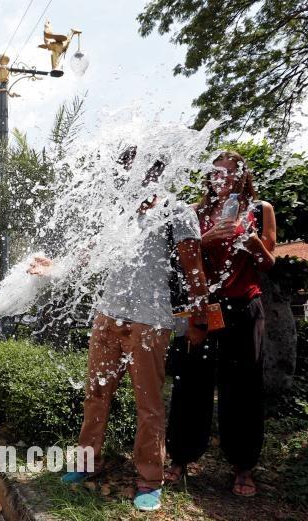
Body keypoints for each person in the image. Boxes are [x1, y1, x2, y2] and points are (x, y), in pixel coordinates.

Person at [27, 157, 210, 512]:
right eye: (123, 169)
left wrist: (201, 319)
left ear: (155, 170)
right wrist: (56, 267)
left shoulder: (178, 210)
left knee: (149, 405)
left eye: (134, 167)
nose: (127, 175)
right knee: (95, 394)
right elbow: (90, 254)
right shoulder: (119, 214)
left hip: (150, 322)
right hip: (107, 317)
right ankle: (86, 463)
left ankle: (149, 479)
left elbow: (193, 267)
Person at [165, 151, 276, 497]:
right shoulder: (195, 214)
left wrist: (250, 239)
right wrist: (207, 239)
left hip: (245, 307)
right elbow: (180, 260)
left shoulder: (260, 210)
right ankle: (180, 459)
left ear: (243, 176)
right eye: (216, 172)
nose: (223, 177)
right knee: (191, 383)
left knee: (243, 386)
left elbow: (268, 263)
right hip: (205, 309)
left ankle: (243, 466)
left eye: (231, 172)